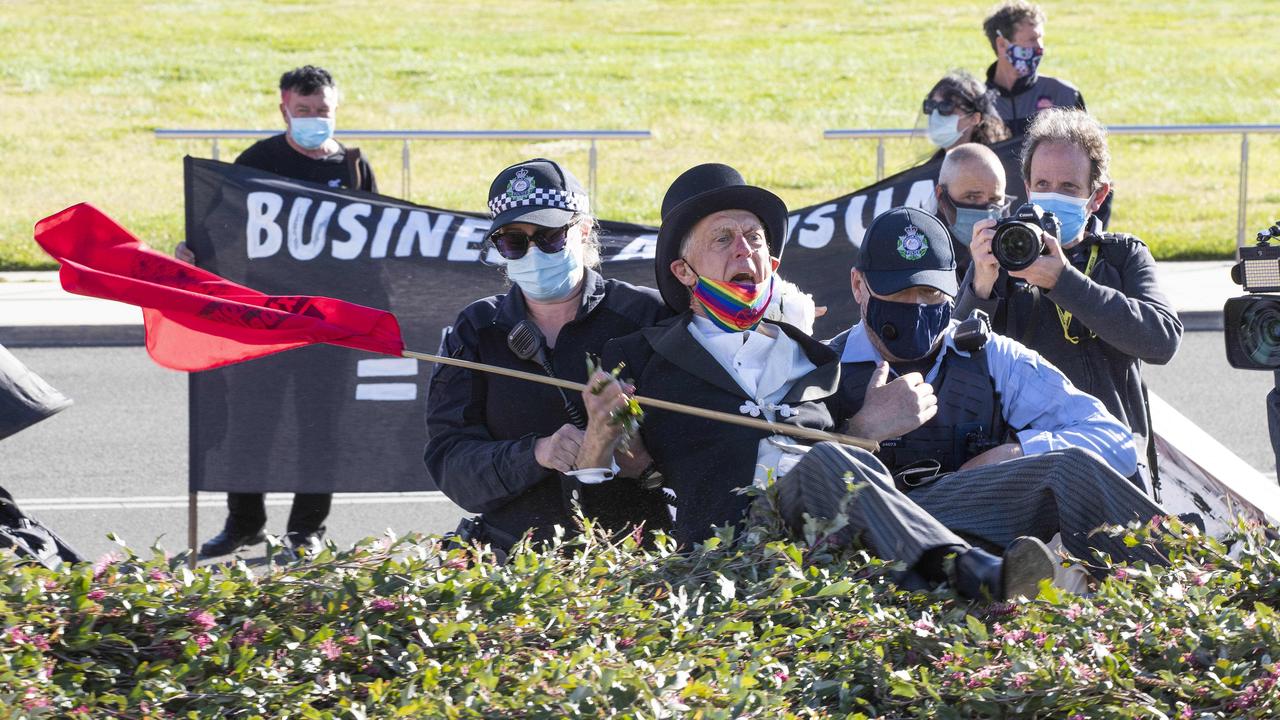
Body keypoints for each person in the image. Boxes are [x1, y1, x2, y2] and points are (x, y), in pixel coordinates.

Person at [571, 164, 1072, 601]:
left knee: (1065, 470)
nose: (743, 252)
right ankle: (974, 580)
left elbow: (859, 488)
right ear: (682, 269)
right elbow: (611, 521)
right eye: (723, 239)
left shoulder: (816, 357)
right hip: (732, 563)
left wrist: (863, 430)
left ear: (773, 265)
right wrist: (599, 447)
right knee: (828, 460)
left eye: (755, 240)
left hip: (836, 552)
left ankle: (1147, 571)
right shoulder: (636, 359)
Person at [822, 207, 1170, 581]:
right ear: (859, 286)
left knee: (1068, 466)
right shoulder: (820, 368)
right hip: (866, 547)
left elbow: (1115, 441)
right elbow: (783, 486)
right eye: (900, 292)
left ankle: (1180, 596)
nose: (917, 307)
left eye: (930, 291)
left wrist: (1017, 452)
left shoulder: (992, 358)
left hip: (975, 526)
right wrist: (859, 432)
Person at [423, 158, 670, 556]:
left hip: (636, 565)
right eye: (514, 241)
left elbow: (704, 446)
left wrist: (639, 457)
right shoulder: (477, 329)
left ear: (584, 229)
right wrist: (536, 453)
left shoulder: (648, 317)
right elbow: (451, 464)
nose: (534, 252)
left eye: (550, 236)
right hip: (515, 573)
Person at [192, 65, 378, 558]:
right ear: (284, 109)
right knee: (252, 425)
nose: (315, 119)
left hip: (329, 327)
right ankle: (243, 524)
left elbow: (382, 239)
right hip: (267, 321)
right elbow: (220, 227)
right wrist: (193, 255)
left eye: (323, 111)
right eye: (304, 111)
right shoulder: (258, 161)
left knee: (321, 427)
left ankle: (307, 530)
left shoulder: (354, 167)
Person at [956, 108, 1182, 491]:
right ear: (1026, 187)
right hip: (1022, 471)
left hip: (1113, 464)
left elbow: (1161, 341)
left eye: (1069, 189)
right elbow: (955, 360)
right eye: (1043, 183)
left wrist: (1064, 281)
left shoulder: (1122, 256)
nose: (1052, 197)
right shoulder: (1002, 253)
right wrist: (979, 287)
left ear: (1097, 197)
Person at [982, 1, 1085, 138]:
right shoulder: (977, 104)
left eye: (1040, 38)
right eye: (1032, 39)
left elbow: (1088, 153)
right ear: (1002, 44)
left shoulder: (1064, 95)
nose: (1039, 47)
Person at [934, 143, 1012, 280]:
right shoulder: (925, 257)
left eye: (995, 199)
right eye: (971, 197)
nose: (987, 211)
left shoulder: (1015, 251)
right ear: (941, 196)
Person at [923, 70, 1010, 159]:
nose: (935, 115)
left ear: (975, 118)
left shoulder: (991, 164)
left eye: (946, 107)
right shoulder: (931, 168)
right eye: (931, 106)